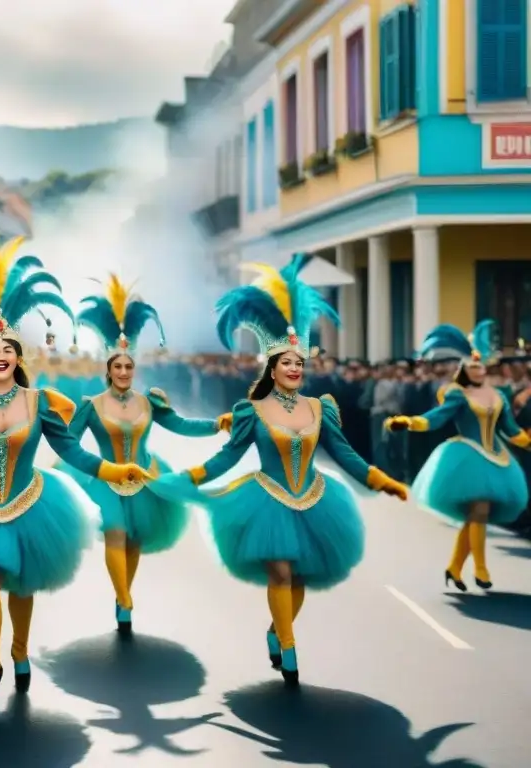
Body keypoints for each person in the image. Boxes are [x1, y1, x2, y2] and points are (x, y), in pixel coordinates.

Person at [0, 230, 152, 716]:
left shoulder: (40, 404)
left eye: (8, 350)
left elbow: (74, 452)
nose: (1, 357)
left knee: (21, 585)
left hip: (31, 505)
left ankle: (20, 649)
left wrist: (113, 467)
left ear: (19, 357)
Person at [151, 256, 408, 687]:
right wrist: (194, 476)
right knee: (281, 572)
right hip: (266, 499)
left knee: (300, 575)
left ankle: (276, 629)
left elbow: (344, 455)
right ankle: (288, 645)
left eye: (299, 363)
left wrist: (380, 479)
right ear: (272, 367)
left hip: (313, 500)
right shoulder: (252, 411)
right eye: (286, 363)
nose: (294, 369)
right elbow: (227, 458)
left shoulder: (319, 408)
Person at [58, 273, 232, 634]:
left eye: (128, 366)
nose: (123, 372)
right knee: (116, 533)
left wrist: (216, 424)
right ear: (108, 370)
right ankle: (124, 599)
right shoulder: (91, 405)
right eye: (117, 366)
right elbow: (67, 441)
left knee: (134, 539)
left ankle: (124, 593)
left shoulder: (149, 402)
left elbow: (181, 424)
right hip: (106, 478)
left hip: (145, 479)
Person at [385, 320, 531, 591]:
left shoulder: (498, 396)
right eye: (472, 366)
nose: (477, 369)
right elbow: (436, 418)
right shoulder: (458, 395)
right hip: (468, 458)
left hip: (497, 458)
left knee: (477, 515)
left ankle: (454, 567)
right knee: (479, 510)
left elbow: (510, 430)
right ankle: (481, 568)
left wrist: (527, 441)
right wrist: (408, 421)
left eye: (480, 365)